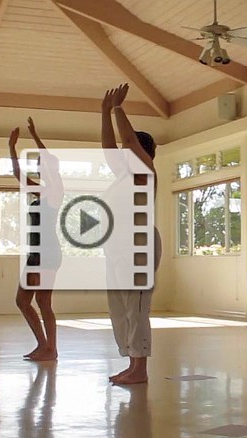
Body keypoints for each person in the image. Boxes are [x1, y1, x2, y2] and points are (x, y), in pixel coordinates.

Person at [101, 83, 162, 385]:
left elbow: (125, 139)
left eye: (132, 150)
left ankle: (141, 369)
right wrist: (103, 113)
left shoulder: (145, 172)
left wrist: (117, 109)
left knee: (136, 308)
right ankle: (131, 362)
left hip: (139, 246)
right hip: (117, 248)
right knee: (121, 309)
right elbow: (110, 148)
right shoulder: (124, 176)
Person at [9, 117, 63, 361]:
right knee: (24, 300)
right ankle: (45, 346)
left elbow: (49, 159)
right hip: (38, 252)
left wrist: (35, 135)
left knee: (42, 302)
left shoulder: (55, 191)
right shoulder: (41, 191)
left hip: (47, 253)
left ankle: (49, 347)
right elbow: (18, 174)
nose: (41, 169)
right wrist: (12, 148)